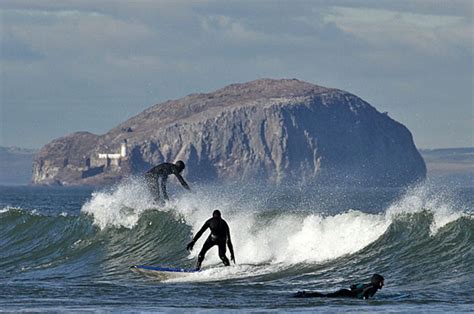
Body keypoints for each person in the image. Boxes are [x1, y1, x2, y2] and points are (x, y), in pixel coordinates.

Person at [294, 274, 385, 299]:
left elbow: (353, 286)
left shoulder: (368, 285)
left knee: (326, 295)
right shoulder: (372, 287)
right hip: (346, 294)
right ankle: (304, 294)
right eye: (381, 282)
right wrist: (362, 298)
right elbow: (362, 295)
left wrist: (357, 292)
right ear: (377, 282)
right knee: (325, 296)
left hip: (345, 292)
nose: (383, 284)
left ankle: (305, 294)